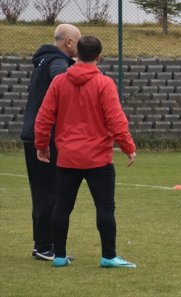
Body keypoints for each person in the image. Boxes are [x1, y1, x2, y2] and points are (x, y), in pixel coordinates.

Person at [35, 36, 137, 268]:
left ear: (76, 55)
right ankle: (108, 256)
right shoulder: (104, 83)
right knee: (104, 207)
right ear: (99, 57)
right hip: (98, 159)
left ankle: (59, 255)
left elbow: (44, 118)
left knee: (62, 207)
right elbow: (116, 120)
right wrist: (128, 147)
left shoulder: (59, 82)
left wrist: (42, 146)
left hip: (68, 158)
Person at [20, 23, 80, 261]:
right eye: (77, 40)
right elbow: (61, 79)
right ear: (68, 42)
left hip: (33, 134)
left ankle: (43, 244)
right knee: (50, 191)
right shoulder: (57, 62)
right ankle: (44, 247)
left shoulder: (43, 60)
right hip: (44, 136)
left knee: (42, 191)